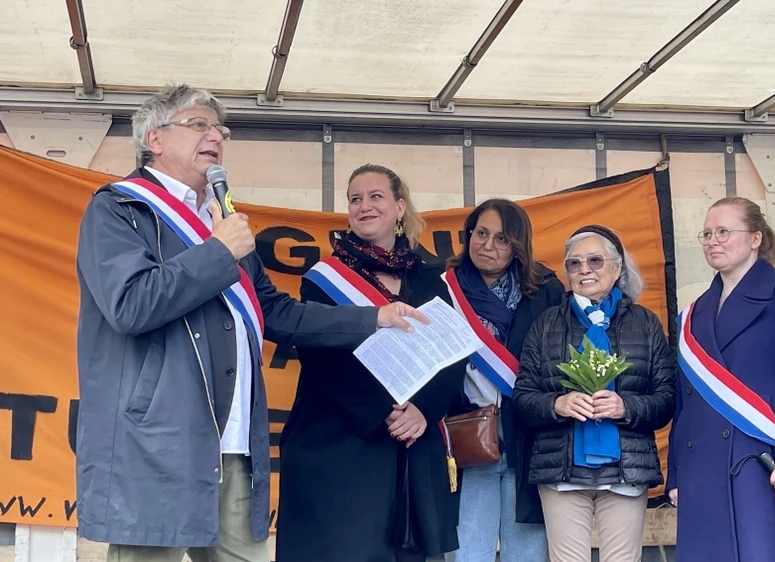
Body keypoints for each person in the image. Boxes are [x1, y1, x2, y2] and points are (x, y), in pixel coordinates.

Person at [74, 86, 422, 562]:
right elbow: (131, 305)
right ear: (154, 139)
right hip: (162, 443)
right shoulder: (119, 209)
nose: (215, 135)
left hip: (234, 445)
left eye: (220, 129)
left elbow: (278, 312)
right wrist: (218, 251)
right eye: (199, 124)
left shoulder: (221, 219)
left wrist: (373, 317)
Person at [276, 164, 466, 562]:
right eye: (355, 199)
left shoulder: (432, 279)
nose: (364, 206)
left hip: (411, 448)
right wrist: (386, 412)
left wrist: (423, 411)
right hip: (340, 446)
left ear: (399, 208)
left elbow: (451, 356)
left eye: (375, 196)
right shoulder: (324, 277)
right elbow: (324, 359)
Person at [666, 196, 775, 562]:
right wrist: (676, 474)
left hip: (765, 464)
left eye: (724, 231)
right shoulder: (693, 314)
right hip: (700, 469)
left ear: (755, 238)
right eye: (707, 233)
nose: (712, 240)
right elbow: (685, 403)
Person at [513, 225, 676, 562]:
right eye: (574, 263)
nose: (584, 269)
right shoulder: (545, 324)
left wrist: (624, 406)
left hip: (625, 469)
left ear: (617, 268)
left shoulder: (645, 323)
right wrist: (558, 404)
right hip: (562, 471)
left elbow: (666, 399)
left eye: (595, 260)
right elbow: (523, 398)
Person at [447, 199, 564, 562]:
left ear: (518, 246)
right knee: (468, 553)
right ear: (468, 235)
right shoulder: (442, 286)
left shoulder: (546, 290)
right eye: (481, 233)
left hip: (527, 438)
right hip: (466, 435)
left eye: (502, 239)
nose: (488, 245)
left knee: (527, 553)